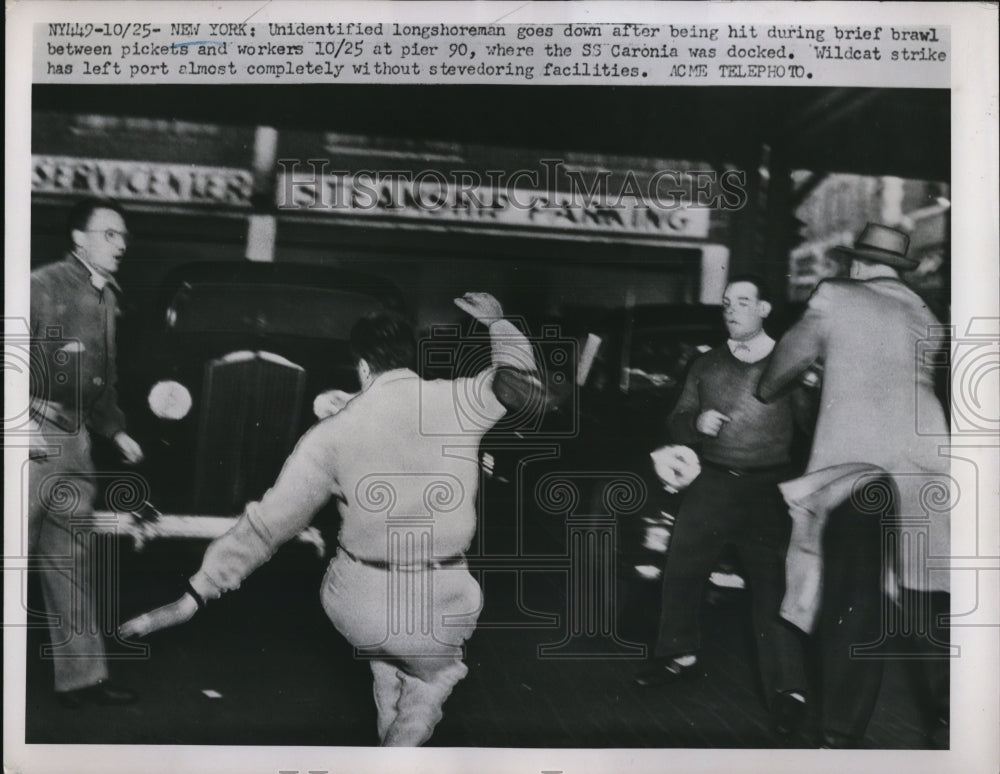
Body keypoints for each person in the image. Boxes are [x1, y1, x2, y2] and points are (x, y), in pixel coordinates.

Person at [119, 292, 536, 746]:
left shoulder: (330, 433)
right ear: (411, 359)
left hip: (360, 604)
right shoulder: (460, 400)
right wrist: (499, 323)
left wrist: (193, 596)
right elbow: (520, 384)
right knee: (432, 677)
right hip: (441, 604)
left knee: (385, 662)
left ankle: (390, 708)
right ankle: (409, 730)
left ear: (362, 366)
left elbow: (267, 526)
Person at [757, 223, 951, 748]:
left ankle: (841, 735)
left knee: (853, 597)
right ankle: (951, 719)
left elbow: (772, 380)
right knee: (924, 597)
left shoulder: (834, 296)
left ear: (857, 265)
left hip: (858, 471)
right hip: (930, 464)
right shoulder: (925, 313)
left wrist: (811, 370)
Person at [634, 275, 810, 736]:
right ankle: (676, 656)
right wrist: (696, 422)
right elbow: (674, 421)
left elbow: (812, 427)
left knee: (772, 588)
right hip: (710, 483)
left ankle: (787, 689)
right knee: (681, 569)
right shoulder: (706, 364)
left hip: (767, 489)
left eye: (744, 302)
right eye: (728, 302)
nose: (732, 310)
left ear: (765, 309)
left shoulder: (789, 366)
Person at [29, 197, 144, 708]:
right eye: (110, 234)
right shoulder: (43, 284)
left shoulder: (107, 297)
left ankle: (82, 679)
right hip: (32, 435)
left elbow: (103, 380)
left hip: (75, 441)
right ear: (79, 238)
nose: (121, 245)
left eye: (123, 237)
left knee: (70, 560)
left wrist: (115, 430)